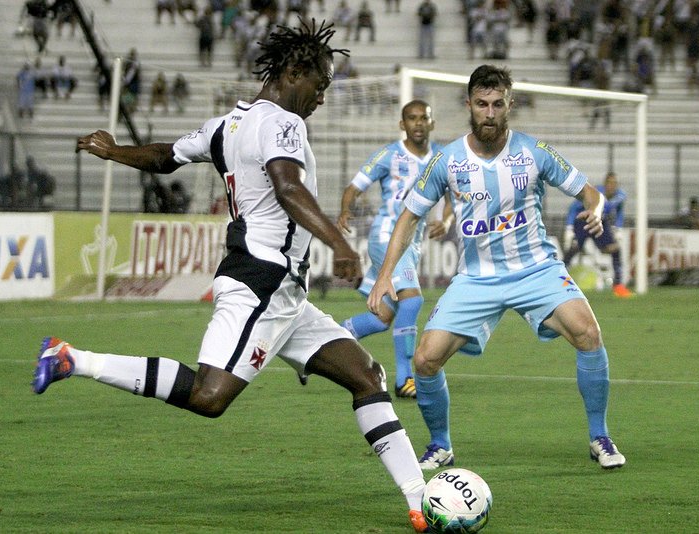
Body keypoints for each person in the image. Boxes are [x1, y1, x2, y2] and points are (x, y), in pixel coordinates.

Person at [37, 20, 430, 533]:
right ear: (294, 72)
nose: (322, 98)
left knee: (367, 377)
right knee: (209, 397)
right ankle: (71, 358)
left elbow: (164, 157)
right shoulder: (284, 123)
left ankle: (421, 501)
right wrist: (340, 244)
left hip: (285, 293)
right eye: (321, 85)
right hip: (261, 283)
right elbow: (288, 187)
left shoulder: (225, 125)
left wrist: (115, 152)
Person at [367, 64, 627, 472]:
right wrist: (385, 275)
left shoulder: (534, 152)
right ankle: (441, 444)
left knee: (588, 333)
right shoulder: (447, 161)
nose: (489, 112)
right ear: (469, 104)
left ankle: (600, 436)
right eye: (482, 104)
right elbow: (408, 218)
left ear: (510, 106)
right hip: (477, 278)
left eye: (498, 104)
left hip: (537, 269)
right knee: (426, 360)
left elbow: (590, 192)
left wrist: (595, 209)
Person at [332, 100, 452, 399]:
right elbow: (354, 187)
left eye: (423, 118)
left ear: (432, 122)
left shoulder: (441, 156)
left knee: (381, 318)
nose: (418, 123)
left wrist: (447, 219)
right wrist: (346, 210)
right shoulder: (389, 155)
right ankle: (406, 379)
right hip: (387, 236)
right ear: (403, 124)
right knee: (411, 301)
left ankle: (328, 338)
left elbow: (452, 192)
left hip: (412, 241)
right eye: (411, 118)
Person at [563, 171, 633, 298]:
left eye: (614, 183)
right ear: (605, 184)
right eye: (609, 183)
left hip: (600, 222)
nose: (612, 186)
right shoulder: (595, 193)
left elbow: (619, 211)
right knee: (573, 249)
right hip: (582, 221)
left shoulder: (620, 196)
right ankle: (561, 280)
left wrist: (618, 229)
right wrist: (569, 227)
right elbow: (574, 208)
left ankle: (618, 286)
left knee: (614, 249)